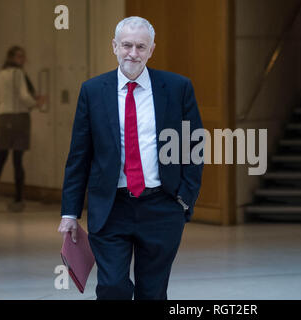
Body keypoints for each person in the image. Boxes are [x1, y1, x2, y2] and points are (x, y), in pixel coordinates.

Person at [58, 16, 203, 300]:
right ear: (114, 46)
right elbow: (79, 155)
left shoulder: (177, 88)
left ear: (151, 50)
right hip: (111, 207)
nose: (133, 54)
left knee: (153, 291)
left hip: (162, 206)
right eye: (126, 45)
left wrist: (185, 198)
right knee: (112, 287)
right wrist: (69, 213)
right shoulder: (93, 91)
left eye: (140, 47)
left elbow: (194, 145)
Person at [0, 46, 45, 212]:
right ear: (12, 57)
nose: (22, 59)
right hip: (19, 118)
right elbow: (23, 96)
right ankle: (18, 199)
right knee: (17, 160)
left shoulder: (0, 74)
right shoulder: (18, 73)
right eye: (20, 56)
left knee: (0, 158)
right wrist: (36, 103)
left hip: (3, 118)